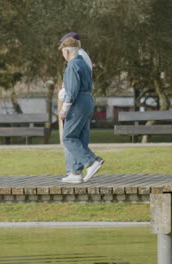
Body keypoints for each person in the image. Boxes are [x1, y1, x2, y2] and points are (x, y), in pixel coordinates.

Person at [58, 34, 104, 184]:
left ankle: (91, 162)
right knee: (80, 137)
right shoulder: (83, 62)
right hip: (87, 100)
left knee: (68, 137)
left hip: (77, 102)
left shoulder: (72, 65)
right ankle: (76, 173)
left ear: (67, 51)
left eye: (62, 52)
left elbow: (71, 92)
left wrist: (64, 109)